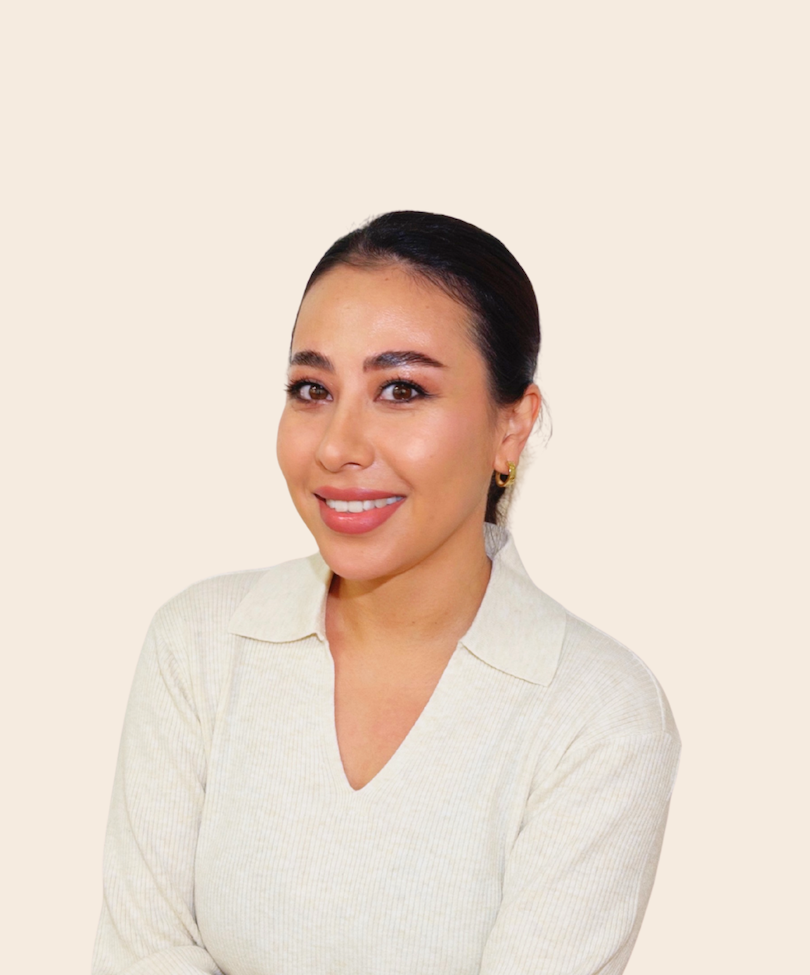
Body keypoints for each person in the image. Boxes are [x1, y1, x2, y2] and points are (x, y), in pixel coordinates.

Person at [92, 211, 680, 975]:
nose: (337, 445)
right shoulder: (200, 646)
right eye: (311, 388)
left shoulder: (597, 713)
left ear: (512, 427)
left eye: (401, 389)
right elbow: (142, 958)